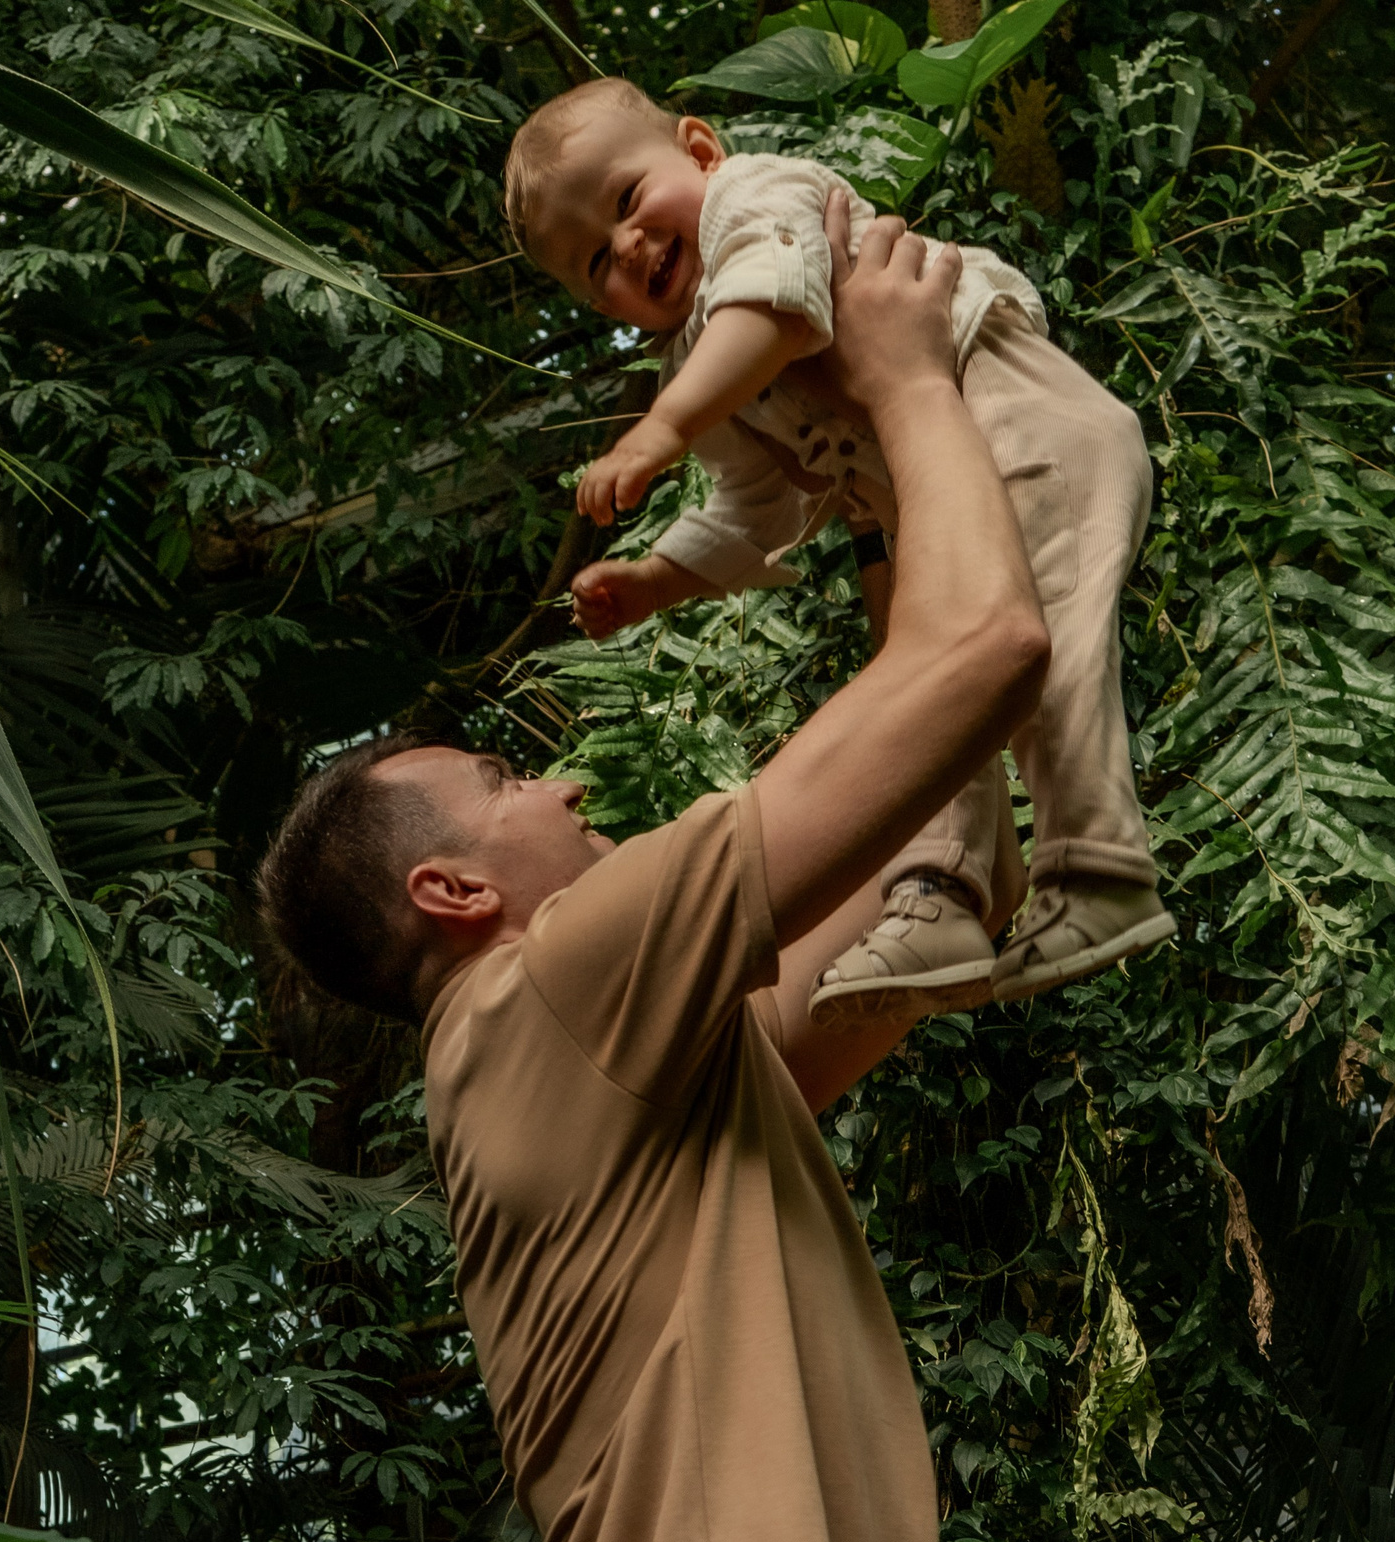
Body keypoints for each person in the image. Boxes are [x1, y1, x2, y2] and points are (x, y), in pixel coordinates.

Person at [256, 197, 1047, 1542]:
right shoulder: (557, 980)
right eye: (502, 781)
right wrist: (902, 378)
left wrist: (883, 512)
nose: (552, 785)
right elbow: (988, 648)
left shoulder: (604, 1057)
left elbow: (922, 918)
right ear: (456, 891)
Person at [498, 78, 1174, 1029]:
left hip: (1023, 419)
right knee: (930, 687)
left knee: (1041, 654)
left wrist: (661, 432)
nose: (629, 248)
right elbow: (753, 504)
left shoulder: (755, 199)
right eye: (595, 263)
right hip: (939, 496)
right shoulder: (696, 362)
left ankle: (1098, 867)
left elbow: (779, 308)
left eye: (625, 204)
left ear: (698, 151)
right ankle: (939, 895)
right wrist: (655, 580)